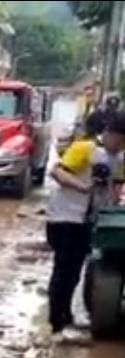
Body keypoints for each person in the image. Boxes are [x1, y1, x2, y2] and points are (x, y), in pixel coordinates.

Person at [47, 110, 125, 343]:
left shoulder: (118, 158)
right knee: (64, 271)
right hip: (65, 218)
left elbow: (116, 187)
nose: (120, 146)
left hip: (87, 220)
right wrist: (84, 186)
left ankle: (66, 317)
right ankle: (57, 325)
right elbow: (57, 171)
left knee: (73, 273)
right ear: (110, 133)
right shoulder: (85, 148)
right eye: (120, 141)